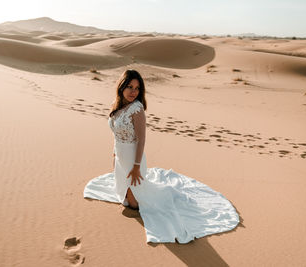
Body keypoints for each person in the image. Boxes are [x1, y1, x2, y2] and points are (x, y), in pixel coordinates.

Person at [84, 69, 239, 243]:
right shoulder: (117, 106)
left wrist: (136, 166)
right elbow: (116, 133)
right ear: (121, 87)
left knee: (135, 204)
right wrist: (114, 155)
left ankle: (165, 195)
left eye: (137, 88)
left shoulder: (137, 109)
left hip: (133, 157)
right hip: (120, 156)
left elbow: (142, 140)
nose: (133, 92)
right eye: (129, 87)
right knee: (124, 199)